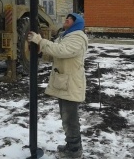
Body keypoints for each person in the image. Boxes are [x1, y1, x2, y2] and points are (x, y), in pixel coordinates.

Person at [27, 13, 88, 159]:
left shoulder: (77, 37)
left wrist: (41, 41)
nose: (67, 20)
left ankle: (74, 150)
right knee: (66, 116)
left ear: (77, 24)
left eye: (71, 19)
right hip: (65, 83)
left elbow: (62, 51)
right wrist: (41, 49)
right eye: (66, 18)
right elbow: (54, 53)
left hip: (72, 84)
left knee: (70, 118)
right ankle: (71, 145)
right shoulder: (65, 36)